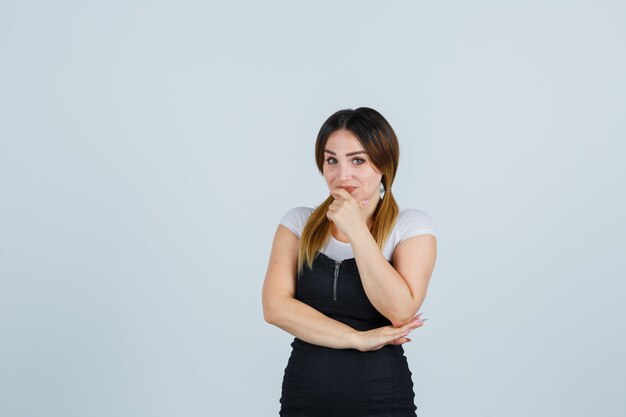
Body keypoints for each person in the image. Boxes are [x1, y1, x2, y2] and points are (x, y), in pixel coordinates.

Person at [262, 107, 438, 417]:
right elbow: (275, 308)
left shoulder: (410, 227)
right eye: (332, 160)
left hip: (381, 398)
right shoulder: (297, 223)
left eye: (358, 160)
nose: (342, 175)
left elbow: (399, 311)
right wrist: (357, 339)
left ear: (384, 164)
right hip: (303, 396)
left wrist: (357, 230)